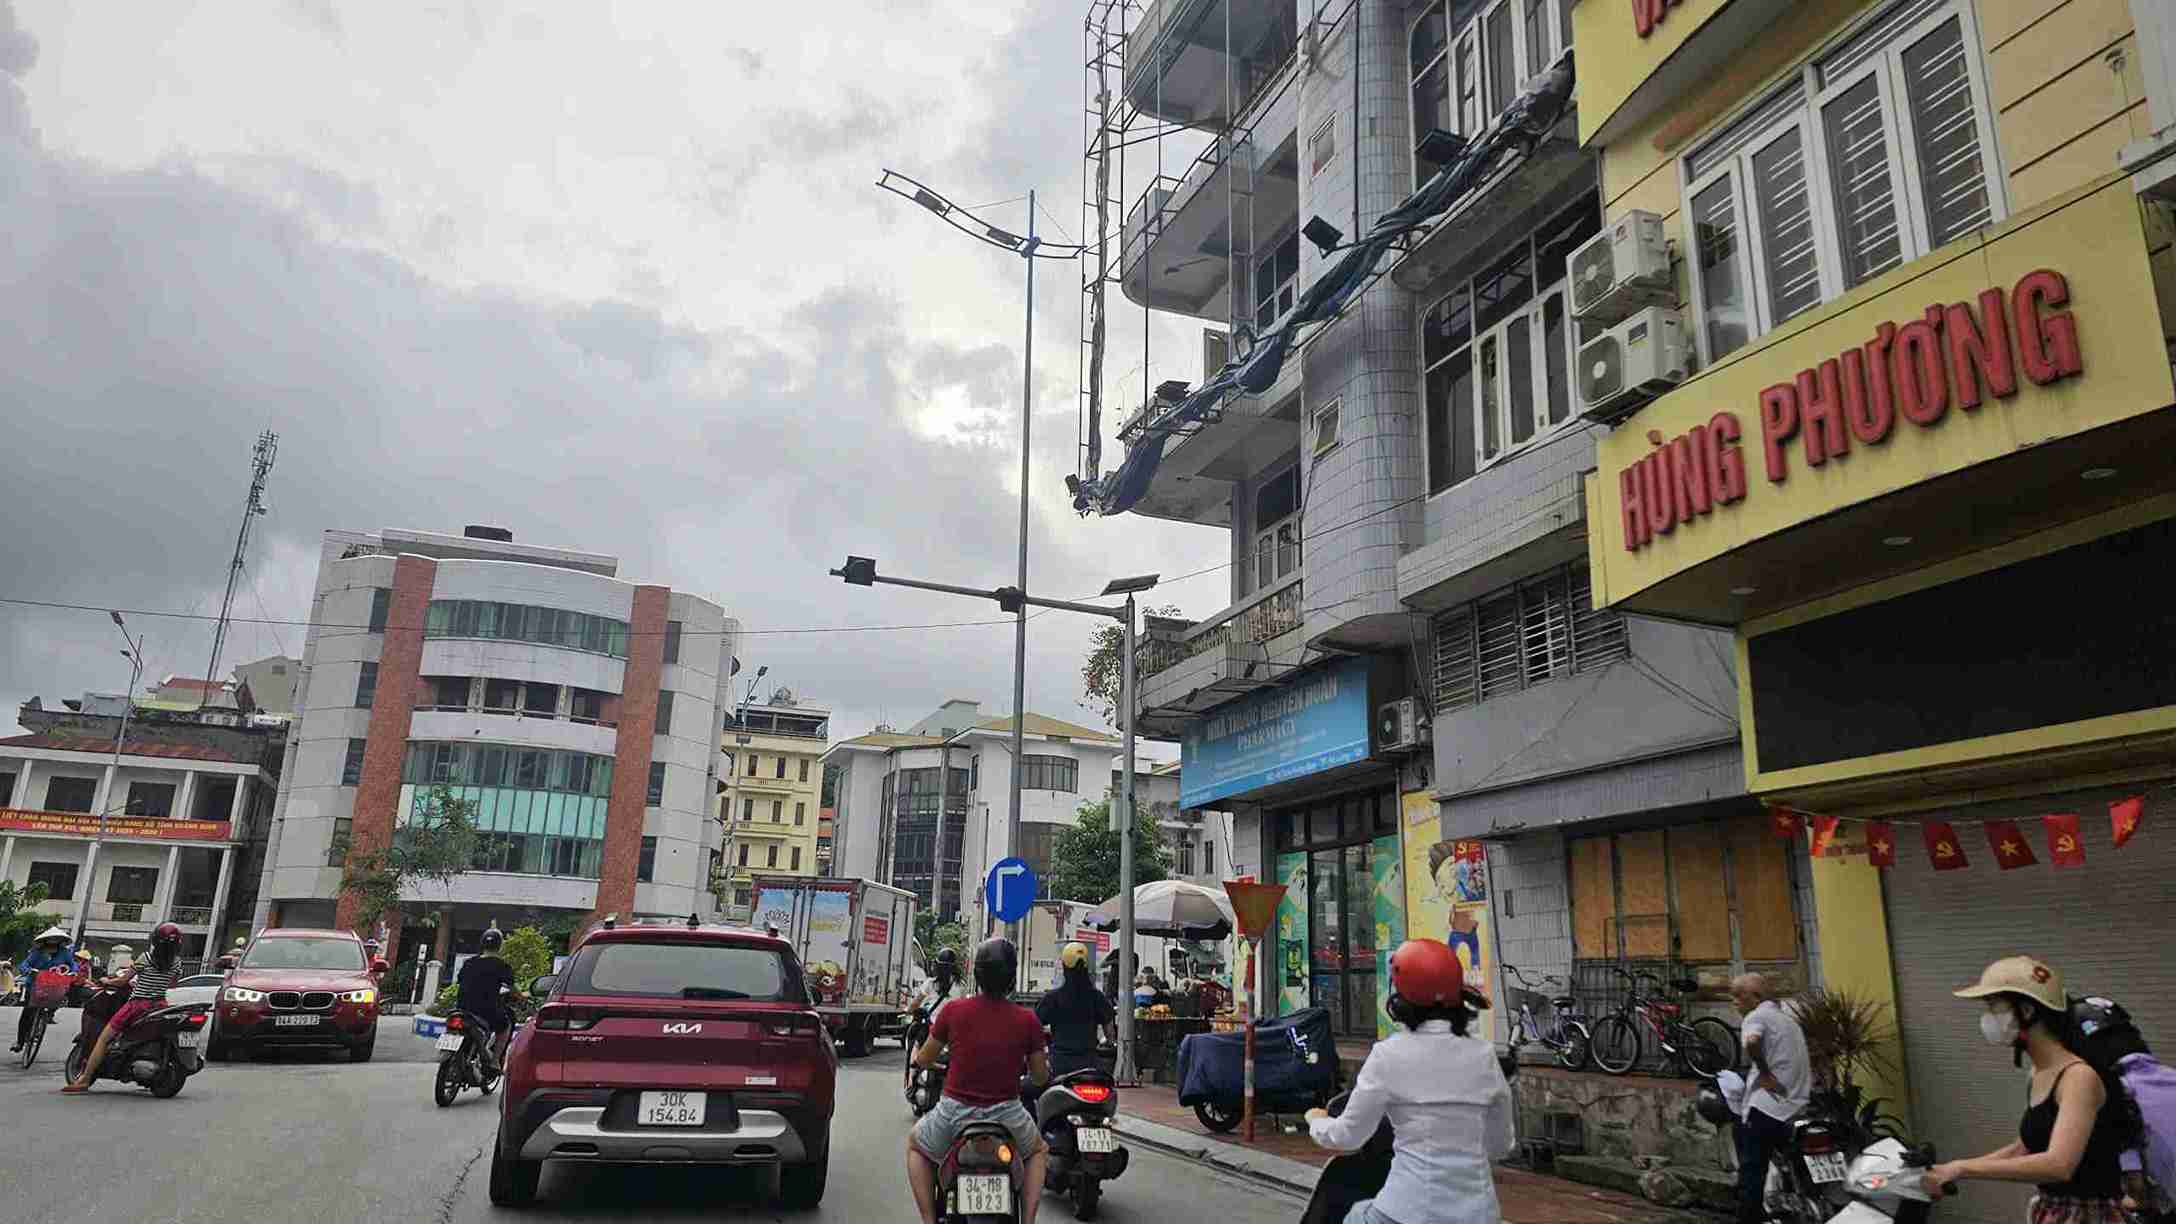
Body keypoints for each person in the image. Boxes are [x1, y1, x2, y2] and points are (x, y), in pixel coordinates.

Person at [1305, 938, 1515, 1224]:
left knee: (1353, 1216)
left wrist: (1316, 1121)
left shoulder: (1388, 1055)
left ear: (1400, 994)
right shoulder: (1484, 1054)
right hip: (1479, 1214)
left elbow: (1348, 1136)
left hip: (1407, 1211)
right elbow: (1500, 1145)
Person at [1927, 956, 2140, 1223]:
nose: (1987, 1018)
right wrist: (1949, 1169)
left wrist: (1962, 1168)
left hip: (2089, 1215)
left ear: (2027, 1011)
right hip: (2053, 1211)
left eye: (1994, 1007)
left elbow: (2059, 1165)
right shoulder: (2039, 1073)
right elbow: (2027, 1147)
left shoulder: (2077, 1078)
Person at [905, 938, 1050, 1224]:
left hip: (954, 1112)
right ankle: (1029, 1220)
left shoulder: (953, 1011)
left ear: (978, 975)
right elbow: (1039, 1076)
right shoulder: (1028, 1020)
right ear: (1011, 976)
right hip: (1008, 1113)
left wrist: (926, 1060)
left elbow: (923, 1058)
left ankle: (928, 1220)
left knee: (916, 1146)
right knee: (1038, 1151)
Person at [1728, 972, 1811, 1224]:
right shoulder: (1788, 1021)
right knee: (1792, 1165)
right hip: (1796, 1105)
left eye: (1738, 997)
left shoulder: (1756, 1016)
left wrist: (1764, 1072)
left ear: (1755, 997)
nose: (1735, 1003)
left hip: (1767, 1108)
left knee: (1752, 1171)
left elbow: (1752, 1042)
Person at [63, 922, 181, 1093]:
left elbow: (122, 981)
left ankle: (85, 1079)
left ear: (156, 940)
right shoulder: (177, 963)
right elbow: (172, 983)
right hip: (160, 1004)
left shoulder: (146, 958)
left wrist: (106, 981)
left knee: (103, 1039)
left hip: (137, 1005)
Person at [1035, 942, 1116, 1077]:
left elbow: (1035, 1027)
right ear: (1086, 966)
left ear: (1064, 966)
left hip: (1059, 1065)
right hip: (1090, 1065)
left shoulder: (1052, 998)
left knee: (1028, 1090)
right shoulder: (1097, 997)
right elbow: (1110, 1034)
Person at [456, 928, 523, 1071]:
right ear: (500, 946)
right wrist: (522, 997)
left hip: (462, 1008)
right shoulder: (502, 966)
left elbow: (460, 980)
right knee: (505, 1026)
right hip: (485, 1010)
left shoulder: (469, 962)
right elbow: (513, 989)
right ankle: (494, 1061)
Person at [12, 926, 76, 1052]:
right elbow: (25, 964)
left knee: (60, 997)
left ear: (59, 941)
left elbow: (73, 965)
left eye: (55, 940)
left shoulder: (64, 953)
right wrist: (28, 970)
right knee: (28, 1012)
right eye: (50, 940)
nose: (52, 943)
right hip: (35, 985)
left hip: (55, 985)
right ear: (45, 941)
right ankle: (20, 1042)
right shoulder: (37, 952)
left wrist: (73, 972)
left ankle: (48, 1016)